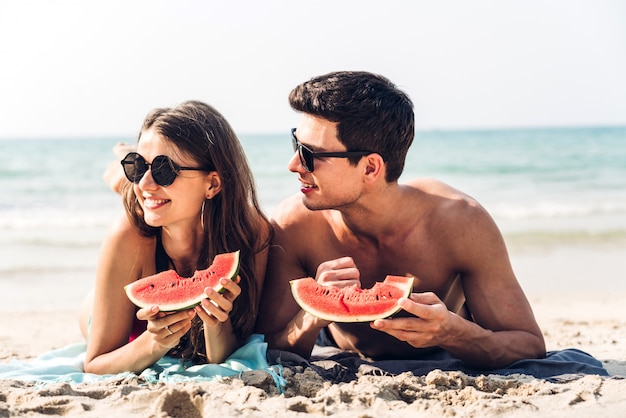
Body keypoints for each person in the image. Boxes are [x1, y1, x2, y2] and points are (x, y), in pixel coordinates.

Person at [256, 71, 546, 369]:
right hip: (335, 345)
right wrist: (311, 316)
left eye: (310, 154)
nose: (293, 165)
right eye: (296, 144)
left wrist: (454, 333)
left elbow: (529, 345)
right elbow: (267, 348)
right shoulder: (295, 225)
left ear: (370, 168)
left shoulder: (460, 223)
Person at [79, 100, 271, 374]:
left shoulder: (251, 232)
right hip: (97, 308)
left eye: (164, 169)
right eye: (136, 166)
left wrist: (216, 324)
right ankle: (122, 163)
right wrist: (152, 343)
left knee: (140, 192)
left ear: (213, 183)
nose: (145, 182)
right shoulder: (127, 235)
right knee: (128, 188)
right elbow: (95, 364)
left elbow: (226, 353)